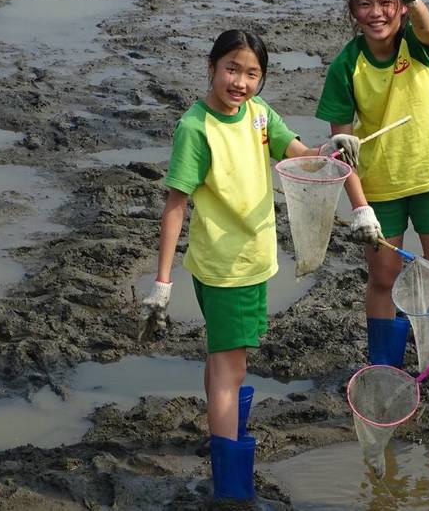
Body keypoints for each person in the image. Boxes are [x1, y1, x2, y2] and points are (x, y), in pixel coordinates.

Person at [140, 29, 362, 501]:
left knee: (223, 361)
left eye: (252, 74)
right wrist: (161, 284)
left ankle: (223, 443)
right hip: (227, 267)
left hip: (252, 261)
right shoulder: (195, 128)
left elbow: (298, 153)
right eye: (232, 70)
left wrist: (333, 148)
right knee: (230, 370)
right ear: (212, 67)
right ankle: (233, 491)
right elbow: (175, 204)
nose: (240, 82)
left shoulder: (259, 116)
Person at [315, 0, 429, 387]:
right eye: (365, 4)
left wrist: (417, 0)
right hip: (380, 187)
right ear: (352, 11)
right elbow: (340, 146)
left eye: (387, 3)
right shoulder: (346, 65)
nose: (377, 13)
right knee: (383, 278)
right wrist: (360, 206)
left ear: (401, 9)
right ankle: (384, 366)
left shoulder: (416, 45)